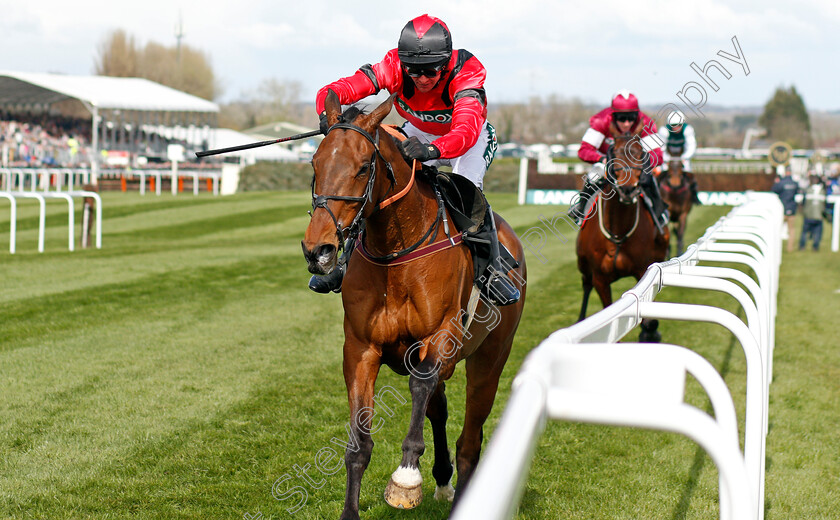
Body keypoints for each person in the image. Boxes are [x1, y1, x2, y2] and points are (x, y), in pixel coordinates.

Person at [308, 14, 519, 306]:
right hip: (418, 130)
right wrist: (325, 114)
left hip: (469, 138)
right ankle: (344, 262)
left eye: (430, 72)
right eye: (413, 71)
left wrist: (432, 150)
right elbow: (335, 91)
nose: (420, 79)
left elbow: (465, 132)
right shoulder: (392, 66)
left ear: (445, 65)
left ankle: (491, 270)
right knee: (383, 185)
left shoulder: (468, 72)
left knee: (467, 188)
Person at [569, 90, 668, 231]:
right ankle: (580, 209)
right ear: (613, 116)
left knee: (649, 178)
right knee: (594, 175)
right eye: (621, 118)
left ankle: (659, 215)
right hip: (608, 163)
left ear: (637, 115)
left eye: (631, 118)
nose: (627, 124)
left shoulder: (646, 123)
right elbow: (584, 151)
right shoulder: (601, 121)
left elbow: (658, 156)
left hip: (634, 165)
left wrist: (640, 163)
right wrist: (601, 158)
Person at [657, 109, 702, 205]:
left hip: (682, 157)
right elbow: (661, 148)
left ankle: (694, 195)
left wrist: (684, 157)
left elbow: (691, 147)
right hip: (668, 157)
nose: (676, 128)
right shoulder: (664, 131)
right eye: (673, 125)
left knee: (690, 175)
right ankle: (656, 196)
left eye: (678, 125)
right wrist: (666, 159)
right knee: (660, 174)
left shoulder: (687, 130)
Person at [771, 168, 799, 252]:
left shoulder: (781, 183)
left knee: (777, 229)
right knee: (791, 230)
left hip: (782, 210)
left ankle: (775, 248)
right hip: (792, 209)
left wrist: (776, 182)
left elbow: (773, 190)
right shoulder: (795, 183)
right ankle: (790, 248)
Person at [799, 174, 827, 251]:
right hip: (818, 216)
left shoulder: (808, 190)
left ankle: (802, 246)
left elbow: (803, 202)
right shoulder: (822, 191)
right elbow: (825, 204)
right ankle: (815, 247)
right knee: (817, 233)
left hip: (808, 215)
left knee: (804, 232)